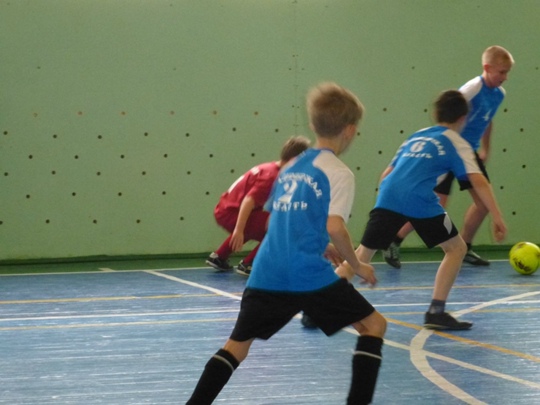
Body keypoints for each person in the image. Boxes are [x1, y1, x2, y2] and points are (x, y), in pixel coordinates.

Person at [186, 82, 387, 405]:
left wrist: (321, 245)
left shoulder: (292, 166)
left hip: (266, 271)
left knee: (237, 346)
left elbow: (281, 221)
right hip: (306, 275)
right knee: (374, 325)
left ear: (313, 126)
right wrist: (357, 264)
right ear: (350, 130)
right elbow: (335, 226)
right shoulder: (338, 173)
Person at [334, 89, 506, 330]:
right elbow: (478, 180)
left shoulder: (417, 136)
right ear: (463, 118)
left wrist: (387, 204)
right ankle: (436, 311)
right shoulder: (458, 143)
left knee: (362, 253)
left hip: (388, 194)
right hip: (419, 200)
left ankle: (321, 304)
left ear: (436, 114)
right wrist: (497, 217)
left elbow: (387, 174)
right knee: (456, 248)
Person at [382, 45, 514, 269]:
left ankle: (466, 246)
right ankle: (395, 240)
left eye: (507, 73)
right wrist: (440, 144)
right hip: (449, 151)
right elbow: (450, 112)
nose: (505, 77)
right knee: (434, 202)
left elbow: (487, 119)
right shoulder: (472, 90)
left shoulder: (499, 94)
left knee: (483, 204)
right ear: (487, 68)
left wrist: (486, 148)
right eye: (501, 72)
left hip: (468, 153)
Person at [206, 136, 310, 276]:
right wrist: (239, 230)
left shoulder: (270, 168)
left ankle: (219, 257)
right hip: (231, 213)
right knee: (281, 228)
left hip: (226, 209)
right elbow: (248, 201)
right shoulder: (272, 176)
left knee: (258, 224)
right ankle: (249, 263)